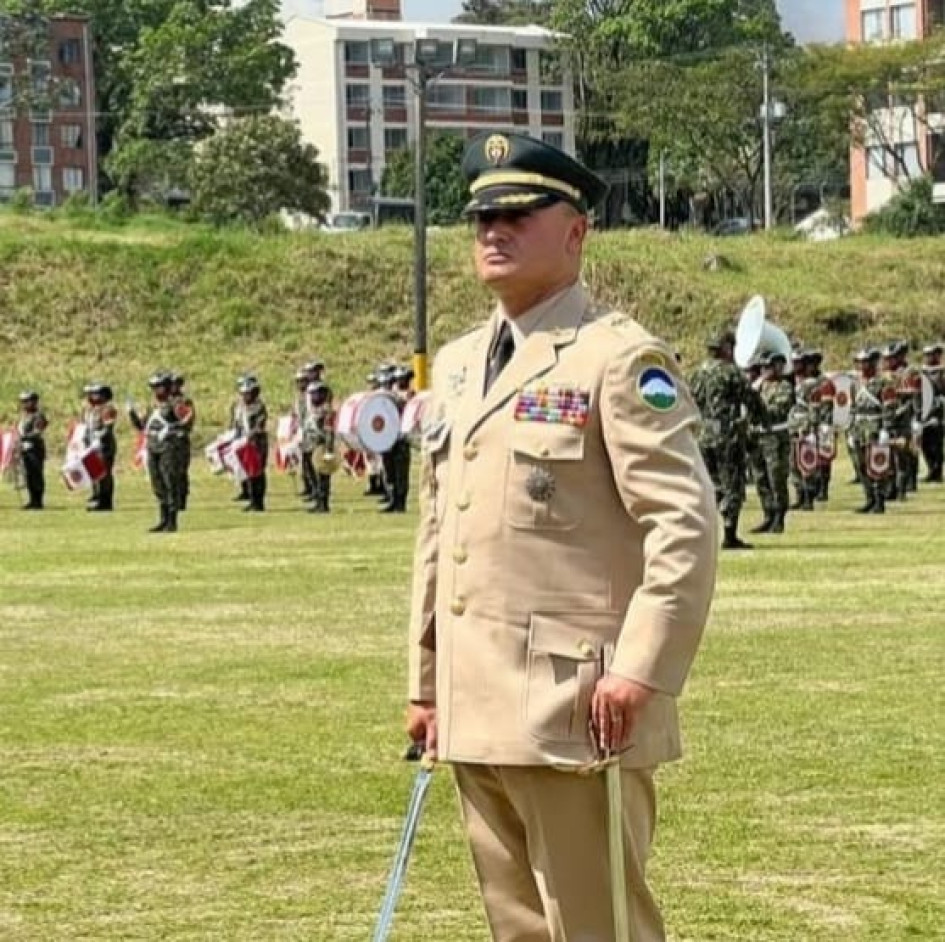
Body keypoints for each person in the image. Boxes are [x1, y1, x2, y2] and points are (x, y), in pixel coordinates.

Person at [405, 131, 718, 942]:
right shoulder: (459, 364)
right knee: (517, 928)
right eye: (482, 217)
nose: (493, 231)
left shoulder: (616, 358)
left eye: (517, 214)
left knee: (598, 928)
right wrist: (426, 684)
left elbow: (682, 523)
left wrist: (641, 670)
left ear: (575, 231)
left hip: (577, 703)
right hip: (477, 702)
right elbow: (441, 532)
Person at [689, 327, 763, 549]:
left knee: (709, 484)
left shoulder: (696, 374)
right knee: (732, 484)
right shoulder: (730, 373)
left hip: (702, 435)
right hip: (726, 435)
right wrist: (763, 419)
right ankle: (730, 534)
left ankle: (704, 531)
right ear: (727, 348)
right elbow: (751, 399)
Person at [128, 372, 183, 532]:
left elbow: (185, 425)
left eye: (159, 387)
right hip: (153, 447)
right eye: (154, 387)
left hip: (168, 448)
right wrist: (132, 414)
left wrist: (171, 429)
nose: (156, 390)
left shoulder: (175, 404)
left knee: (169, 482)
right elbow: (142, 426)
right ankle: (163, 519)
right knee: (157, 483)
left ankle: (172, 520)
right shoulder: (152, 406)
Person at [751, 352, 793, 534]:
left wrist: (757, 407)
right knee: (760, 478)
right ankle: (767, 515)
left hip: (775, 437)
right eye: (763, 367)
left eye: (768, 367)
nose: (764, 370)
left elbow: (777, 410)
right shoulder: (758, 386)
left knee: (776, 477)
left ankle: (779, 517)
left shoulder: (784, 387)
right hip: (758, 436)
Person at [851, 347, 896, 514]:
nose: (862, 365)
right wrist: (851, 429)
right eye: (860, 362)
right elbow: (853, 408)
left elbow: (889, 407)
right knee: (861, 464)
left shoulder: (884, 383)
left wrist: (886, 429)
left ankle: (879, 500)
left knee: (877, 464)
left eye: (866, 362)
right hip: (859, 427)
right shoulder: (856, 384)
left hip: (875, 426)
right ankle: (869, 498)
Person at [380, 365, 414, 513]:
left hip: (401, 438)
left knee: (401, 472)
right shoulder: (389, 393)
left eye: (403, 379)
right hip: (387, 436)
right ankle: (392, 499)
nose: (400, 381)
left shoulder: (410, 395)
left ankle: (401, 502)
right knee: (389, 470)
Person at [233, 375, 268, 512]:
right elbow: (238, 425)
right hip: (244, 443)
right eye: (244, 394)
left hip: (257, 443)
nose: (245, 396)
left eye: (248, 394)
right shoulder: (240, 408)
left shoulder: (259, 407)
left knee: (258, 472)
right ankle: (252, 499)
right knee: (248, 472)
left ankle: (259, 502)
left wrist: (251, 434)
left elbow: (260, 425)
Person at [303, 380, 336, 513]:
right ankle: (317, 501)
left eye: (315, 394)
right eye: (312, 394)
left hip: (321, 447)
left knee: (322, 476)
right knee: (312, 476)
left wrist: (329, 450)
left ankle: (323, 503)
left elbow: (329, 431)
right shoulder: (312, 409)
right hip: (310, 446)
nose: (313, 397)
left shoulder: (326, 410)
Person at [84, 382, 118, 511]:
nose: (92, 396)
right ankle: (96, 496)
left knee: (104, 473)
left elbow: (108, 428)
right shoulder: (91, 410)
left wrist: (98, 438)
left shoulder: (107, 408)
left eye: (95, 394)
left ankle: (105, 501)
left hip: (104, 445)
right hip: (91, 445)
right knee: (94, 472)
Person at [169, 371, 195, 510]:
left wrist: (176, 427)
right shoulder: (164, 401)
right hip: (167, 441)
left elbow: (188, 420)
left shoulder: (184, 401)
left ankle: (181, 499)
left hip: (180, 440)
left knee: (180, 471)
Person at [17, 391, 47, 510]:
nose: (24, 404)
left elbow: (37, 432)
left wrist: (24, 437)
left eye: (26, 401)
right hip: (25, 449)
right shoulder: (24, 416)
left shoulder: (38, 416)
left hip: (35, 449)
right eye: (23, 401)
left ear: (33, 402)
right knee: (28, 475)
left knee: (36, 474)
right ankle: (32, 499)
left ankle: (38, 501)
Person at [920, 343, 943, 483]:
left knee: (936, 445)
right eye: (927, 355)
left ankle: (937, 471)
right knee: (925, 443)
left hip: (938, 413)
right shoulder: (922, 372)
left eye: (931, 355)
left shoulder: (941, 372)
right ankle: (931, 469)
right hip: (924, 412)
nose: (928, 357)